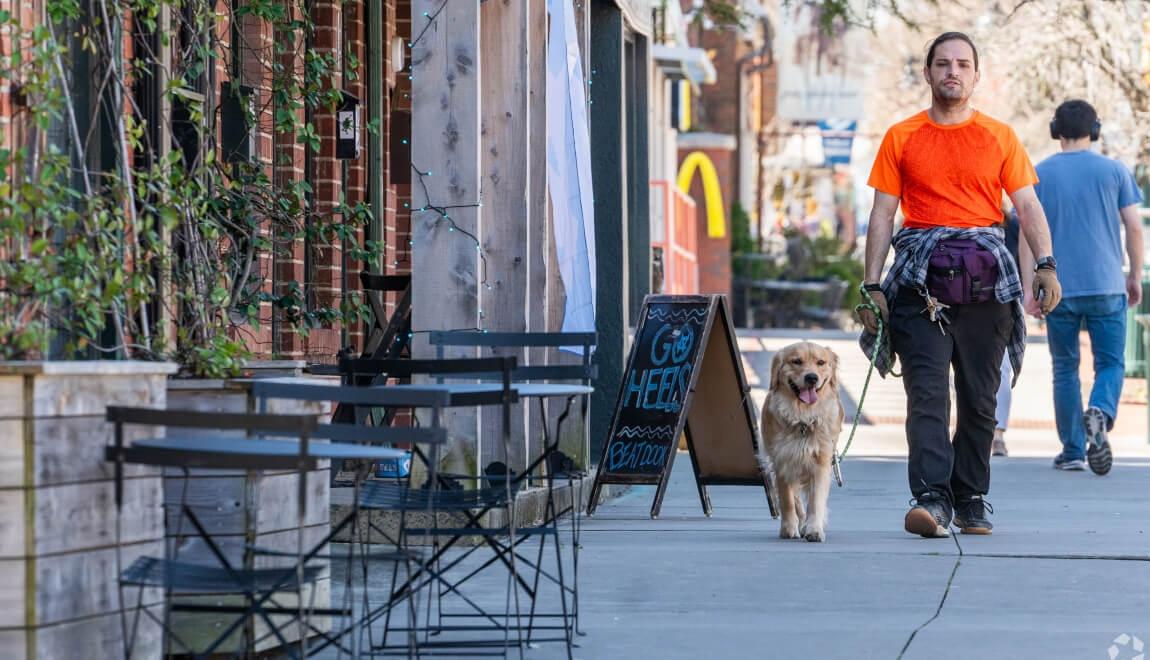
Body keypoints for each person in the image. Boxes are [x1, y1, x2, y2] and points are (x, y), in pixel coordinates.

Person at [858, 32, 1062, 538]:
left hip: (986, 285)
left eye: (963, 64)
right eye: (943, 63)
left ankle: (970, 498)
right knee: (926, 395)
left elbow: (1027, 205)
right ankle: (931, 499)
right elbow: (883, 214)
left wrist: (1046, 264)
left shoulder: (999, 136)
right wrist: (872, 286)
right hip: (918, 285)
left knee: (979, 398)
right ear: (926, 73)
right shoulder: (901, 136)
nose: (953, 71)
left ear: (976, 75)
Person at [1022, 100, 1144, 475]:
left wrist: (1030, 287)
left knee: (1064, 368)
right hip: (1107, 283)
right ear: (1096, 130)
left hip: (1058, 289)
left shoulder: (1038, 174)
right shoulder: (1115, 171)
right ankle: (1101, 411)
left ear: (1055, 130)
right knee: (1110, 362)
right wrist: (1134, 275)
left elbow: (1027, 235)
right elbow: (1134, 228)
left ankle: (1073, 450)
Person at [992, 209, 1022, 457]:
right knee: (1000, 368)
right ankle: (997, 434)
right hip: (1002, 296)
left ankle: (994, 432)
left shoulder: (1009, 221)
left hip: (958, 293)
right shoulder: (1009, 221)